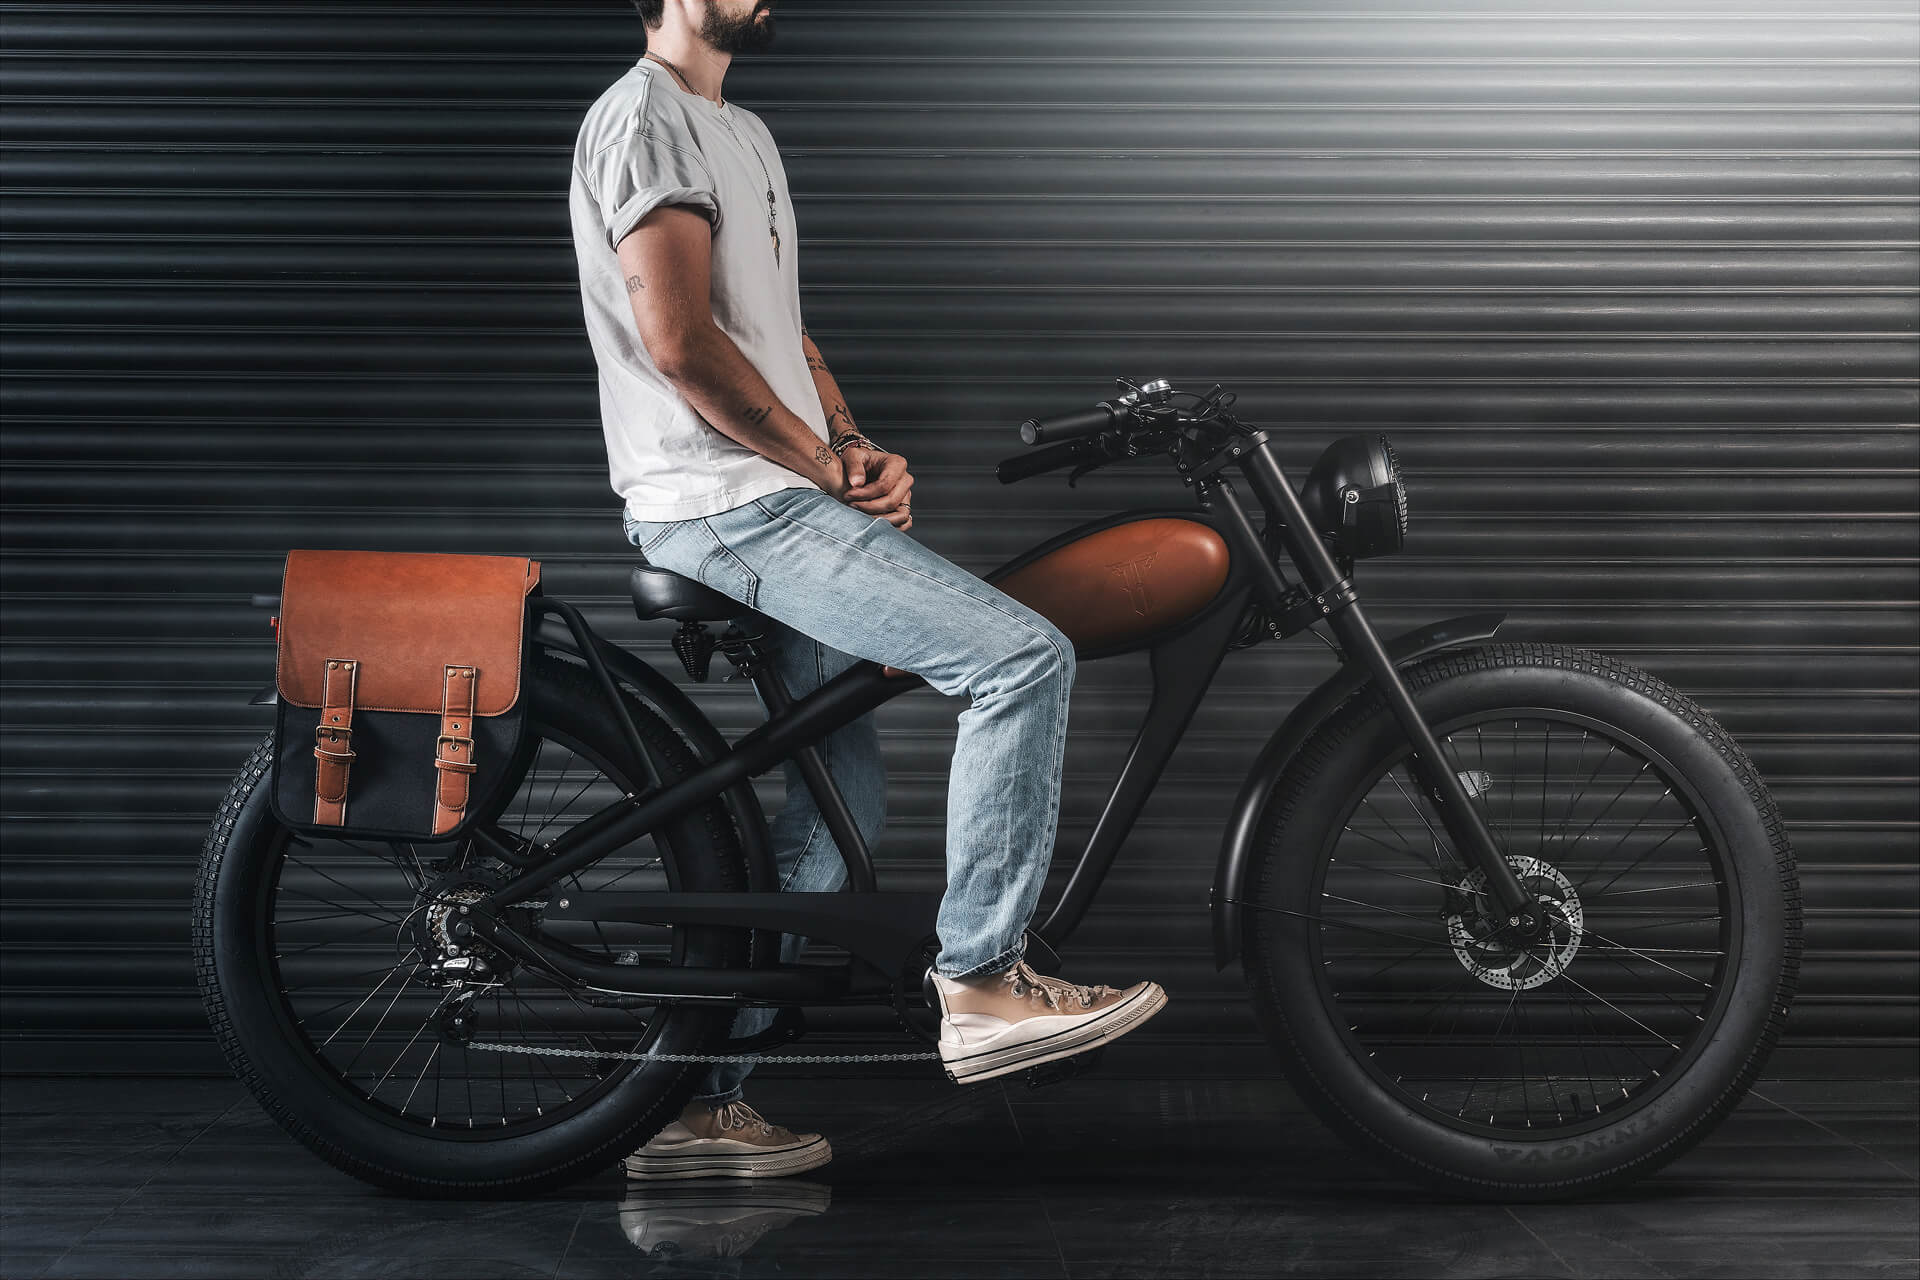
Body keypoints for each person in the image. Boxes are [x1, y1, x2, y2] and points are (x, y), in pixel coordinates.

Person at [569, 0, 1167, 1181]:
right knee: (1018, 658)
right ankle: (984, 983)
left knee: (835, 830)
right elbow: (682, 341)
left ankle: (695, 1108)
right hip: (721, 502)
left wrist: (850, 441)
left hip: (775, 485)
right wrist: (813, 464)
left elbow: (776, 334)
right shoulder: (643, 120)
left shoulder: (736, 129)